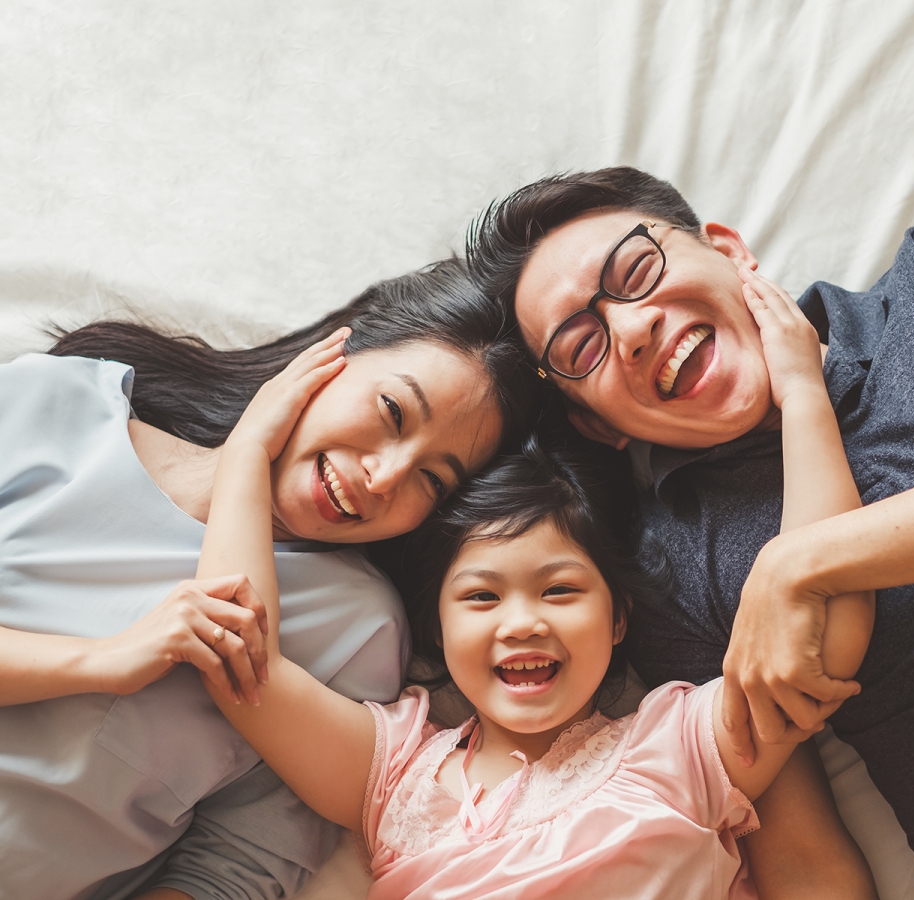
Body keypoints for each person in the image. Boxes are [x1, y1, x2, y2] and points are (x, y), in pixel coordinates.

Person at [465, 167, 914, 899]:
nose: (631, 329)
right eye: (579, 348)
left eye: (636, 269)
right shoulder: (670, 567)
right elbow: (806, 858)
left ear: (729, 250)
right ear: (597, 425)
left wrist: (796, 565)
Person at [183, 324, 877, 898]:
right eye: (482, 596)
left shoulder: (679, 747)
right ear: (437, 629)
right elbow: (240, 655)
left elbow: (823, 628)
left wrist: (803, 397)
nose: (522, 623)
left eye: (560, 591)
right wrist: (248, 451)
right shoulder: (394, 772)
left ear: (618, 620)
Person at [0, 260, 533, 900]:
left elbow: (236, 868)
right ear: (330, 354)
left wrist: (250, 459)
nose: (385, 477)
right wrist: (97, 662)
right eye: (392, 410)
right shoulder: (56, 403)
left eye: (432, 479)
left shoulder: (356, 625)